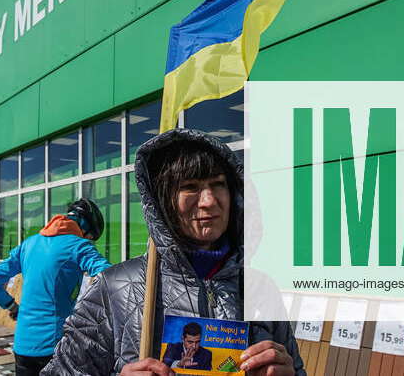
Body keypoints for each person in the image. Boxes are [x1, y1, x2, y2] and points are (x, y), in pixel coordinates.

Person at [43, 129, 303, 376]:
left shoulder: (260, 288)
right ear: (164, 201)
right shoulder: (114, 289)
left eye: (218, 184)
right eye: (190, 187)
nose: (209, 201)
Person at [0, 198, 112, 376]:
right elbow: (110, 276)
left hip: (22, 347)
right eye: (90, 237)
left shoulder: (28, 244)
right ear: (85, 228)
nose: (89, 240)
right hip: (55, 348)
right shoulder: (78, 245)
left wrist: (12, 306)